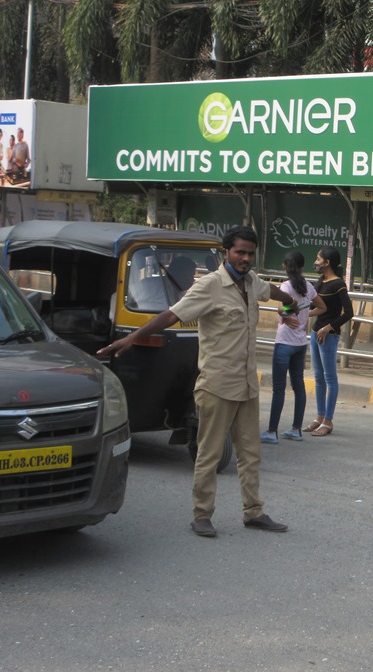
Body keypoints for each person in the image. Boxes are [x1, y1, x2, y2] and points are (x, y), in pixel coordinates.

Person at [97, 226, 298, 538]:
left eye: (249, 253)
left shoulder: (251, 281)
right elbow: (171, 315)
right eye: (239, 252)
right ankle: (202, 515)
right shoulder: (209, 286)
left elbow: (276, 293)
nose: (244, 258)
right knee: (209, 453)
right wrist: (132, 339)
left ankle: (254, 512)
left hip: (246, 385)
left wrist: (288, 308)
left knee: (250, 454)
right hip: (217, 384)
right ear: (225, 252)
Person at [262, 251, 327, 444]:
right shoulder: (308, 286)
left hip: (284, 342)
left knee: (279, 389)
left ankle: (272, 431)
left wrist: (286, 313)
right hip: (300, 343)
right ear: (301, 266)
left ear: (285, 266)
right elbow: (322, 307)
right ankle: (296, 429)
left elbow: (283, 308)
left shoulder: (286, 286)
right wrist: (305, 314)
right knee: (299, 386)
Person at [304, 247, 354, 437]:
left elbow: (348, 313)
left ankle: (328, 420)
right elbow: (311, 305)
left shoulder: (338, 284)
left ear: (327, 263)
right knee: (318, 378)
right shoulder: (320, 282)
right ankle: (319, 416)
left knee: (330, 378)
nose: (316, 262)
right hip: (316, 333)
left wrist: (329, 328)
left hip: (328, 336)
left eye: (319, 259)